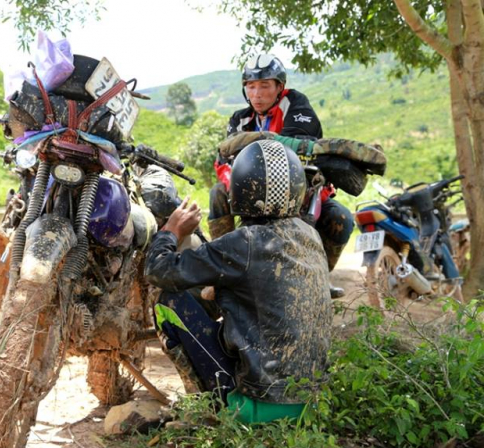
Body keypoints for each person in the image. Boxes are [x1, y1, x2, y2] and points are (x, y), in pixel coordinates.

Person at [146, 140, 331, 422]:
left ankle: (209, 405)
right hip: (311, 405)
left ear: (239, 190)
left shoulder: (244, 242)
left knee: (169, 302)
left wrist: (171, 230)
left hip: (258, 408)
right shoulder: (310, 235)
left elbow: (159, 270)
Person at [209, 53, 352, 298]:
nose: (257, 93)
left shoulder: (296, 105)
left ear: (279, 87)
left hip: (301, 190)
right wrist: (232, 185)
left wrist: (256, 141)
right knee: (217, 192)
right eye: (251, 86)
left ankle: (319, 276)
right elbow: (224, 160)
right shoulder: (239, 119)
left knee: (342, 218)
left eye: (265, 85)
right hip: (250, 192)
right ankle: (222, 270)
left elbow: (298, 143)